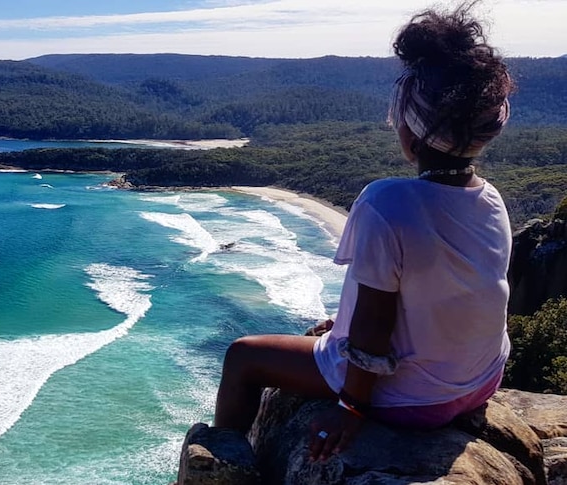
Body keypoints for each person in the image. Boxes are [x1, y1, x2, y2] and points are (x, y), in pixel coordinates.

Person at [212, 2, 514, 462]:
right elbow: (445, 295)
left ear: (410, 135)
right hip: (479, 381)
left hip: (414, 399)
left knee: (242, 357)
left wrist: (350, 406)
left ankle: (222, 466)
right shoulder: (491, 198)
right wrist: (345, 321)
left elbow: (374, 322)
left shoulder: (385, 202)